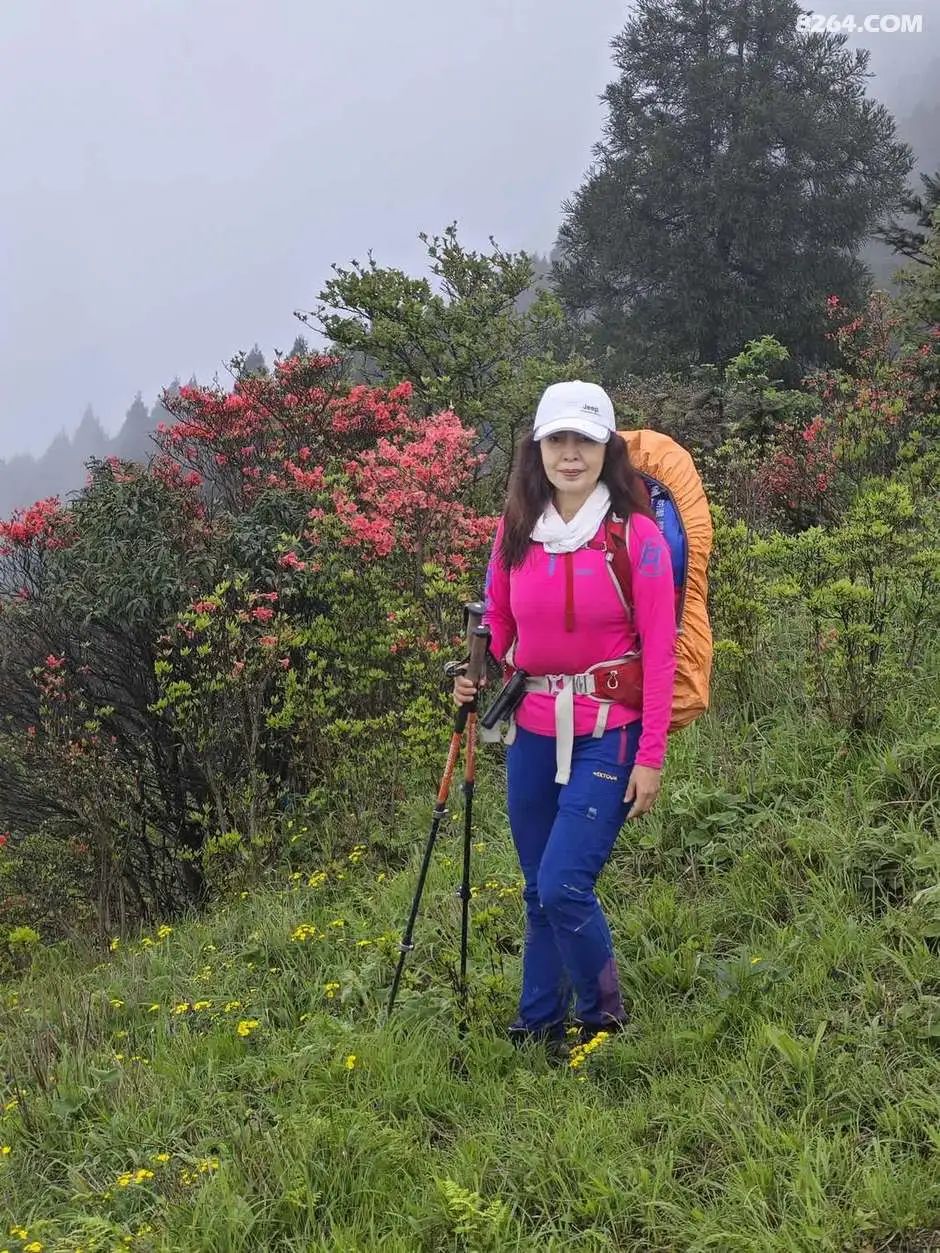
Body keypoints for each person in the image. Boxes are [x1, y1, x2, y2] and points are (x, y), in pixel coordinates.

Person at [453, 379, 677, 1053]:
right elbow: (497, 621)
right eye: (558, 439)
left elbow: (661, 652)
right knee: (536, 889)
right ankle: (537, 1021)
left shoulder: (636, 536)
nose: (570, 453)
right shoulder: (516, 530)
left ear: (607, 448)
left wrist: (652, 757)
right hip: (532, 732)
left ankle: (602, 1018)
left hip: (610, 733)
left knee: (564, 883)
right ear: (538, 449)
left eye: (584, 439)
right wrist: (474, 672)